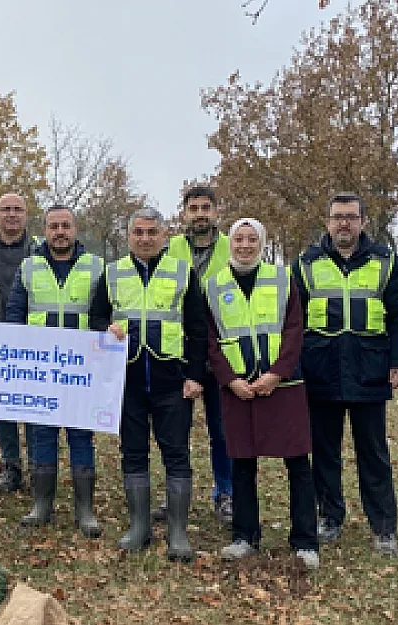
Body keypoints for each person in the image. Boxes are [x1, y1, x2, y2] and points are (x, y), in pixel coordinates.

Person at [89, 207, 207, 563]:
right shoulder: (112, 273)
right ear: (128, 236)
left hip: (173, 379)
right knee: (134, 453)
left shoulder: (183, 272)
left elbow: (199, 328)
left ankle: (177, 532)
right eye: (138, 232)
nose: (145, 238)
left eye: (151, 232)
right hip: (128, 380)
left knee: (176, 453)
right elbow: (96, 315)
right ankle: (139, 526)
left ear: (164, 235)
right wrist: (104, 328)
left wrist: (196, 375)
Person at [292, 193, 398, 555]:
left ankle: (384, 527)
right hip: (320, 370)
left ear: (362, 222)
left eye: (351, 217)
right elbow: (292, 321)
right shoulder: (305, 263)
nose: (344, 223)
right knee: (325, 452)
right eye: (337, 217)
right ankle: (330, 518)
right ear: (327, 222)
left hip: (369, 370)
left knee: (373, 452)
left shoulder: (386, 261)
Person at [207, 218, 320, 570]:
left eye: (251, 239)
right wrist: (229, 379)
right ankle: (244, 537)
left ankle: (305, 541)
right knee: (242, 465)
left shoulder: (282, 278)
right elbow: (209, 339)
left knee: (298, 465)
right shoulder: (212, 286)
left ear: (262, 243)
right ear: (230, 243)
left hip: (282, 386)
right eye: (238, 239)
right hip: (238, 389)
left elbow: (295, 329)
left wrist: (277, 373)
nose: (244, 245)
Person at [4, 205, 105, 538]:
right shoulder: (29, 267)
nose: (60, 231)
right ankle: (42, 505)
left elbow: (105, 313)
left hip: (81, 369)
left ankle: (84, 509)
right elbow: (15, 315)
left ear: (75, 229)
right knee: (41, 436)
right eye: (53, 226)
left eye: (65, 226)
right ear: (44, 231)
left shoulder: (95, 266)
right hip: (40, 370)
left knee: (81, 436)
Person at [164, 184, 234, 526]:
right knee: (174, 431)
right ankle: (174, 495)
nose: (200, 214)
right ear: (185, 213)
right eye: (194, 208)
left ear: (216, 212)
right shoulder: (170, 248)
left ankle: (225, 494)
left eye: (206, 207)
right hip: (180, 353)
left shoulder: (232, 246)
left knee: (222, 432)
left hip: (223, 355)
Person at [0, 192, 43, 496]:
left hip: (34, 337)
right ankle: (11, 466)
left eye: (18, 209)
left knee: (36, 406)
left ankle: (40, 466)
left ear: (26, 215)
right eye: (6, 210)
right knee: (2, 406)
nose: (12, 215)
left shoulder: (40, 248)